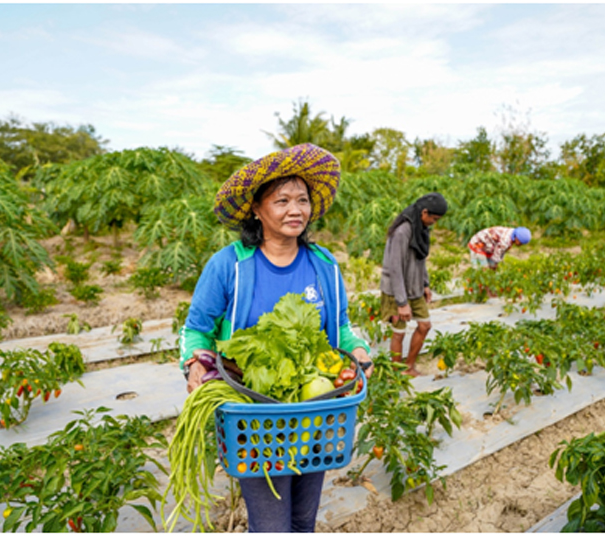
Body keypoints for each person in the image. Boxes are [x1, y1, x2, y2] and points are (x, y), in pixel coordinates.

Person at [178, 143, 373, 533]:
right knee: (271, 525)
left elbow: (342, 327)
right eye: (281, 200)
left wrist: (359, 349)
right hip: (256, 414)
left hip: (315, 408)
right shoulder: (229, 264)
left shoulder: (324, 264)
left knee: (303, 519)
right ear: (256, 208)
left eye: (302, 199)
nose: (295, 210)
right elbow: (196, 329)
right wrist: (195, 363)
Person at [379, 193, 448, 377]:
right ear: (424, 212)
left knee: (424, 326)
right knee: (398, 333)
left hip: (414, 287)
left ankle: (409, 366)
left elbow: (420, 258)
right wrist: (401, 303)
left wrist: (425, 284)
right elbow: (395, 268)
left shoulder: (421, 228)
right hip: (396, 291)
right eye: (434, 218)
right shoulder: (403, 231)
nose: (434, 222)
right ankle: (396, 373)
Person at [467, 226, 531, 271]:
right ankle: (477, 287)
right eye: (520, 243)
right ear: (517, 237)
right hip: (478, 244)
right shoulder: (506, 241)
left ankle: (486, 287)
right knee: (482, 270)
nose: (520, 245)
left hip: (488, 246)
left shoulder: (512, 233)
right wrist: (494, 267)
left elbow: (500, 253)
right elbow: (496, 257)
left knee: (489, 270)